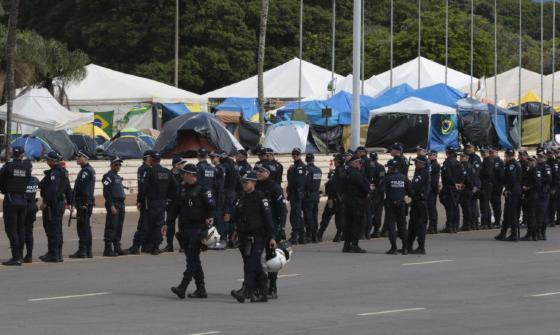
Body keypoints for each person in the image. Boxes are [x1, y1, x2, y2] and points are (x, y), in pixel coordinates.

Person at [168, 164, 215, 299]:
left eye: (184, 174)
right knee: (193, 259)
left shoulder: (203, 189)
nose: (182, 176)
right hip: (184, 228)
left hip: (198, 228)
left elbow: (212, 207)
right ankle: (201, 289)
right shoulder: (182, 189)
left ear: (192, 175)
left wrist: (211, 218)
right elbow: (175, 208)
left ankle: (183, 286)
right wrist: (168, 223)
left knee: (192, 260)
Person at [230, 171, 277, 303]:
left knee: (251, 264)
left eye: (246, 182)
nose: (244, 185)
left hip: (258, 236)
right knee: (254, 265)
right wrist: (234, 229)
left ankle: (247, 291)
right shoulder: (242, 198)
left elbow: (268, 219)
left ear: (254, 183)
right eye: (242, 182)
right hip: (244, 236)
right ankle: (262, 293)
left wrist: (272, 236)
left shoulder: (261, 198)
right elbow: (238, 217)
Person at [128, 151, 178, 255]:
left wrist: (139, 201)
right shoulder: (166, 172)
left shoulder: (149, 172)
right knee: (158, 226)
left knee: (144, 225)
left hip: (150, 203)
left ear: (151, 160)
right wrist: (168, 199)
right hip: (162, 203)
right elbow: (175, 187)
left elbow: (143, 188)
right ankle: (155, 247)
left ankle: (136, 246)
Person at [256, 165, 287, 299]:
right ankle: (256, 286)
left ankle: (272, 287)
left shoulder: (274, 187)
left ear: (268, 173)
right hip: (258, 227)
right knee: (255, 259)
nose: (258, 173)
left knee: (271, 259)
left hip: (272, 227)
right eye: (257, 171)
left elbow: (282, 209)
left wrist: (281, 228)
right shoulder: (255, 186)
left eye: (261, 171)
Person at [0, 146, 32, 265]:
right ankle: (20, 256)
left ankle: (16, 257)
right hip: (23, 200)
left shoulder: (8, 167)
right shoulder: (26, 167)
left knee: (11, 229)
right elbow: (28, 180)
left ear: (13, 154)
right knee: (21, 228)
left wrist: (4, 190)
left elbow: (1, 180)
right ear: (22, 155)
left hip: (11, 200)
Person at [39, 151, 71, 263]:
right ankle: (56, 253)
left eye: (48, 160)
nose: (47, 162)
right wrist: (70, 203)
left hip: (53, 204)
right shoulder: (63, 172)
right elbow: (68, 189)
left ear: (53, 161)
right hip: (59, 203)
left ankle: (54, 254)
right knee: (57, 229)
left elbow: (53, 190)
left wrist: (45, 203)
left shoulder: (55, 173)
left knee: (52, 229)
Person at [69, 151, 96, 259]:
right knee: (86, 226)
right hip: (87, 201)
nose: (77, 158)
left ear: (85, 157)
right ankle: (88, 250)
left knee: (82, 227)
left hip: (84, 202)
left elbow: (80, 188)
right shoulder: (88, 170)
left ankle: (83, 250)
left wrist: (75, 201)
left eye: (79, 156)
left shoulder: (86, 171)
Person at [342, 155, 370, 253]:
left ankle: (346, 245)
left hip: (347, 200)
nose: (360, 164)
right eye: (358, 162)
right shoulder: (356, 173)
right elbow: (363, 186)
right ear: (354, 163)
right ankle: (354, 244)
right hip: (357, 201)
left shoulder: (345, 172)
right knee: (357, 223)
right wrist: (369, 190)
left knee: (348, 223)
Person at [102, 157, 128, 257]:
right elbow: (106, 192)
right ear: (111, 165)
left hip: (121, 204)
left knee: (119, 226)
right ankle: (107, 249)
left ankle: (117, 247)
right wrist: (111, 205)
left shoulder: (117, 177)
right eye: (116, 164)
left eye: (119, 165)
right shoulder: (108, 176)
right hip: (114, 203)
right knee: (111, 226)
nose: (118, 166)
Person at [383, 159, 409, 255]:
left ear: (391, 168)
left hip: (390, 204)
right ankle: (405, 248)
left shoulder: (387, 178)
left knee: (391, 226)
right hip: (401, 204)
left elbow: (382, 190)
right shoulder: (404, 177)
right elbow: (410, 191)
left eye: (388, 168)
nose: (387, 169)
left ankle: (394, 248)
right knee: (402, 226)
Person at [317, 154, 345, 242]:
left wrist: (331, 198)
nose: (334, 161)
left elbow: (333, 185)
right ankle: (338, 235)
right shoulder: (345, 170)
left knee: (326, 217)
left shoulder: (336, 171)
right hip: (342, 199)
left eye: (336, 160)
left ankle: (320, 234)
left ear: (339, 161)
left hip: (335, 198)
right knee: (339, 218)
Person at [495, 150, 522, 241]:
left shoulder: (512, 165)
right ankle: (503, 233)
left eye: (507, 156)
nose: (506, 158)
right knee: (507, 214)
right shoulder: (511, 164)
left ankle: (514, 234)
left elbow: (512, 179)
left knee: (512, 214)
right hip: (512, 191)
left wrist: (508, 190)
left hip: (512, 192)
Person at [162, 156, 186, 252]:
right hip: (171, 202)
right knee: (170, 224)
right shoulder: (168, 174)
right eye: (181, 164)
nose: (183, 165)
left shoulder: (183, 174)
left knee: (182, 224)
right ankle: (169, 245)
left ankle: (183, 245)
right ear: (176, 165)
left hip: (181, 202)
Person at [407, 156, 430, 254]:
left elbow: (414, 187)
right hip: (416, 202)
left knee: (420, 225)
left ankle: (421, 247)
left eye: (416, 162)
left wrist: (407, 191)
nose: (415, 164)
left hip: (420, 203)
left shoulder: (423, 173)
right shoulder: (418, 172)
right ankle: (408, 246)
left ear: (422, 163)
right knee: (412, 224)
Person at [440, 146, 463, 234]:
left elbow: (448, 176)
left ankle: (450, 226)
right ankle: (455, 226)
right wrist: (459, 184)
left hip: (449, 188)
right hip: (457, 188)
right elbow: (462, 175)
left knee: (450, 208)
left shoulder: (447, 163)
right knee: (455, 207)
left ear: (447, 153)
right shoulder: (458, 163)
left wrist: (453, 184)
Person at [287, 148, 307, 244]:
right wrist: (289, 171)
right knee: (296, 215)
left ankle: (296, 235)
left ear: (300, 155)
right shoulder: (295, 166)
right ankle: (301, 235)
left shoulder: (300, 166)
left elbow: (297, 182)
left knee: (295, 215)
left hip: (297, 193)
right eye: (293, 154)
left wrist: (291, 172)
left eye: (297, 154)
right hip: (294, 193)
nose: (295, 155)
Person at [302, 153, 322, 243]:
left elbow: (305, 183)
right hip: (316, 195)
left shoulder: (307, 170)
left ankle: (309, 235)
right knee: (315, 216)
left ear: (306, 160)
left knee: (308, 216)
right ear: (313, 159)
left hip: (308, 196)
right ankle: (315, 236)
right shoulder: (318, 170)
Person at [520, 156, 540, 241]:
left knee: (531, 216)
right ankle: (533, 235)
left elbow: (538, 184)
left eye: (531, 160)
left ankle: (530, 235)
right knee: (531, 216)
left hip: (532, 195)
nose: (529, 162)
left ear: (535, 161)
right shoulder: (530, 170)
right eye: (529, 160)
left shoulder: (535, 170)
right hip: (529, 195)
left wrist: (528, 188)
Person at [210, 151, 226, 248]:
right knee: (215, 217)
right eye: (211, 158)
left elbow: (217, 173)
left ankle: (222, 239)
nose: (212, 159)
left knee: (218, 217)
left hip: (219, 194)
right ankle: (216, 239)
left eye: (213, 157)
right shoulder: (216, 168)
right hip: (215, 194)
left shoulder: (220, 168)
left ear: (218, 158)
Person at [23, 173, 40, 263]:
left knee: (20, 231)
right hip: (32, 205)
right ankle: (29, 255)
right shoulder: (35, 179)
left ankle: (18, 255)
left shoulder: (21, 180)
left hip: (23, 206)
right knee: (29, 231)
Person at [368, 152, 386, 238]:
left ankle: (370, 231)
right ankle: (375, 230)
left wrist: (374, 186)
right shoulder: (380, 167)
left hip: (375, 192)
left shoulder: (371, 167)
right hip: (378, 192)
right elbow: (381, 179)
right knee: (377, 212)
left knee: (372, 212)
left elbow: (381, 180)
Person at [535, 150, 552, 240]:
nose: (538, 158)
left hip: (543, 193)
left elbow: (549, 179)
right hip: (538, 192)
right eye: (538, 157)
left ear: (544, 158)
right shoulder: (537, 166)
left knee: (542, 213)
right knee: (539, 213)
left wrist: (539, 179)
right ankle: (539, 233)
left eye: (541, 157)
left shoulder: (546, 167)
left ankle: (541, 233)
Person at [459, 152, 476, 231]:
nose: (460, 158)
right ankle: (470, 224)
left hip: (466, 189)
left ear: (466, 158)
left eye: (462, 157)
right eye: (461, 157)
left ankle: (467, 224)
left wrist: (470, 186)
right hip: (470, 188)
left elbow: (467, 178)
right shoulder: (471, 165)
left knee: (466, 208)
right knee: (469, 207)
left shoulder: (464, 166)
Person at [479, 148, 495, 230]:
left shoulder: (487, 161)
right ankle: (487, 223)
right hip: (486, 184)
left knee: (484, 205)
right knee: (485, 205)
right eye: (482, 152)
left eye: (484, 152)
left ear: (488, 153)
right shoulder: (486, 161)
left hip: (486, 185)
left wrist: (480, 173)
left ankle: (485, 223)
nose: (483, 154)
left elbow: (488, 173)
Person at [489, 148, 504, 229]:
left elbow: (501, 175)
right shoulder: (490, 161)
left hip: (497, 186)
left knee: (496, 204)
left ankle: (498, 221)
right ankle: (496, 220)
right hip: (491, 186)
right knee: (493, 204)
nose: (491, 154)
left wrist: (500, 185)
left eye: (492, 152)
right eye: (490, 152)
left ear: (496, 153)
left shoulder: (499, 162)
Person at [427, 150, 440, 234]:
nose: (429, 156)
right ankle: (432, 226)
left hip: (432, 189)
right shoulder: (430, 164)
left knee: (431, 208)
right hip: (430, 189)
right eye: (429, 155)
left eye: (431, 155)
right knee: (430, 208)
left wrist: (431, 188)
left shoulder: (435, 165)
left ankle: (433, 226)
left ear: (435, 156)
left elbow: (434, 179)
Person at [547, 149, 560, 227]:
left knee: (553, 204)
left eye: (550, 153)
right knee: (549, 204)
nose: (548, 155)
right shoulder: (547, 162)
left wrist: (554, 188)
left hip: (554, 186)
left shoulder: (555, 163)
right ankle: (549, 219)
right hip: (548, 186)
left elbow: (556, 176)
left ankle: (552, 220)